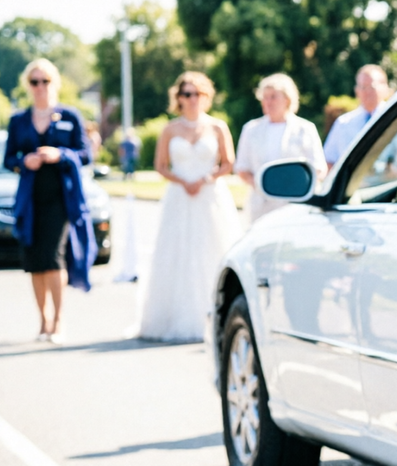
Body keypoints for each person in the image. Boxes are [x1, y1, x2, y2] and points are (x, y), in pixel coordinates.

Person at [138, 71, 242, 342]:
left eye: (197, 93)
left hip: (210, 196)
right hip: (180, 197)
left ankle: (218, 316)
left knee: (212, 249)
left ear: (206, 97)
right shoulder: (170, 129)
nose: (192, 99)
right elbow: (161, 166)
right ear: (179, 98)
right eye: (187, 94)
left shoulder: (217, 127)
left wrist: (205, 179)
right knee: (177, 253)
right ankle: (175, 317)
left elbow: (228, 163)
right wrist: (183, 181)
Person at [4, 58, 95, 343]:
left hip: (60, 197)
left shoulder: (70, 116)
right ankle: (42, 320)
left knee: (54, 257)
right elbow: (8, 158)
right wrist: (24, 161)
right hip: (31, 199)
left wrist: (60, 155)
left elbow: (85, 154)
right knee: (35, 260)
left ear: (54, 83)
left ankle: (58, 320)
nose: (40, 87)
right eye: (35, 82)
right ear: (28, 86)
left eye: (45, 81)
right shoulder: (18, 120)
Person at [234, 73, 327, 223]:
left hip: (296, 205)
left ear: (287, 99)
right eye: (265, 97)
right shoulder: (251, 129)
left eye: (273, 97)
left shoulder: (305, 129)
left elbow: (318, 168)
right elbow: (242, 168)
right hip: (261, 205)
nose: (268, 102)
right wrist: (263, 187)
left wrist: (293, 187)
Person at [321, 64, 391, 166]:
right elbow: (329, 161)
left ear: (385, 88)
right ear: (356, 90)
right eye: (362, 87)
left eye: (371, 87)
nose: (367, 92)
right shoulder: (343, 123)